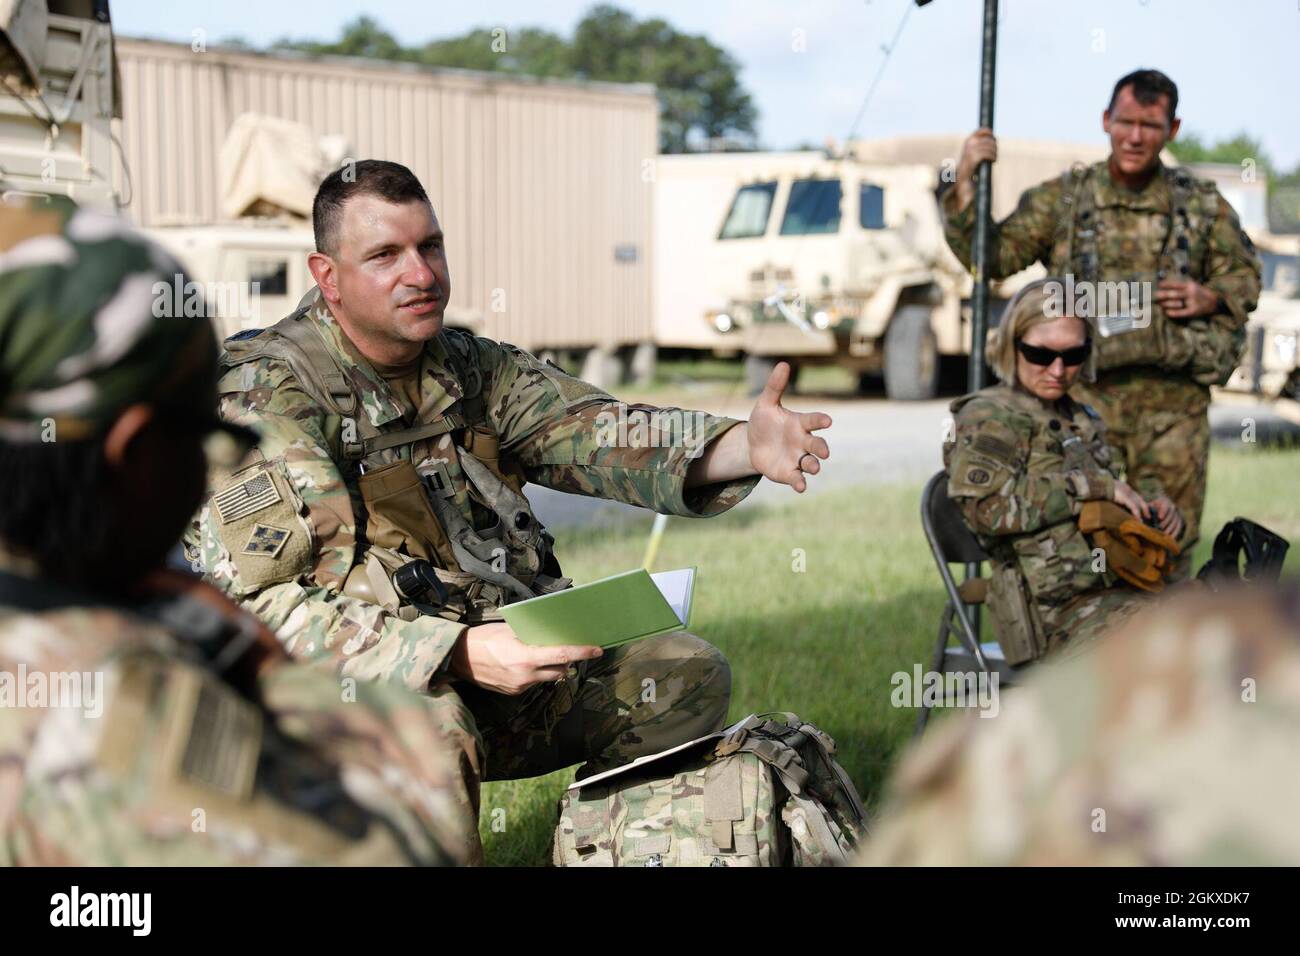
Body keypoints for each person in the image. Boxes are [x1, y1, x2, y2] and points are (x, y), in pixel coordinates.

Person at [189, 161, 833, 811]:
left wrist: (741, 446)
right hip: (342, 689)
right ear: (327, 276)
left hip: (493, 658)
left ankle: (592, 849)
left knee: (680, 674)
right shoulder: (266, 393)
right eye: (385, 255)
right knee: (429, 732)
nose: (421, 274)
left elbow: (597, 431)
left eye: (430, 246)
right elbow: (258, 612)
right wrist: (455, 654)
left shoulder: (468, 366)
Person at [0, 197, 473, 865]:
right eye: (206, 438)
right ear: (137, 454)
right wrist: (272, 675)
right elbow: (405, 845)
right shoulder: (125, 712)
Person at [942, 69, 1261, 578]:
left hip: (1172, 411)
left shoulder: (1201, 206)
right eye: (1127, 121)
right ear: (1106, 121)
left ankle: (1165, 649)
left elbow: (1246, 279)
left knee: (1168, 548)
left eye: (1151, 126)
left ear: (1173, 129)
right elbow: (993, 258)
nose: (1136, 137)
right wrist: (960, 183)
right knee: (1087, 543)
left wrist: (1211, 295)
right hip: (1081, 405)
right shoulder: (1067, 199)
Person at [859, 583, 1300, 865]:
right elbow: (995, 510)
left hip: (1118, 585)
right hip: (1054, 598)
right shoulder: (993, 432)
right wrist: (1096, 495)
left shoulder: (1085, 432)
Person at [944, 277, 1183, 664]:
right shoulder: (990, 417)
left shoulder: (1080, 417)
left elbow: (1108, 501)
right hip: (1052, 614)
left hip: (1119, 592)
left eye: (1073, 356)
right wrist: (1088, 488)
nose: (1058, 370)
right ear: (1012, 345)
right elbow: (984, 511)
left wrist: (1153, 511)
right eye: (1040, 355)